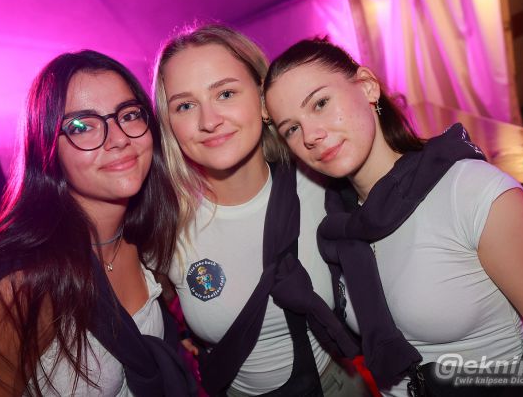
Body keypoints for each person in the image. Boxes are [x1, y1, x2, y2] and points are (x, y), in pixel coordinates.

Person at [262, 37, 523, 396]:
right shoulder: (341, 225)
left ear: (367, 86)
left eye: (321, 103)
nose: (311, 135)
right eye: (291, 128)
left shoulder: (470, 192)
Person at [0, 50, 196, 396]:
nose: (119, 138)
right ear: (47, 148)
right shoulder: (23, 284)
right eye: (82, 126)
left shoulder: (144, 237)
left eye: (129, 115)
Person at [152, 24, 370, 396]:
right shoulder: (162, 222)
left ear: (262, 97)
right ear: (169, 123)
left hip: (338, 384)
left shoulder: (324, 183)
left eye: (225, 93)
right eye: (185, 105)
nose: (209, 121)